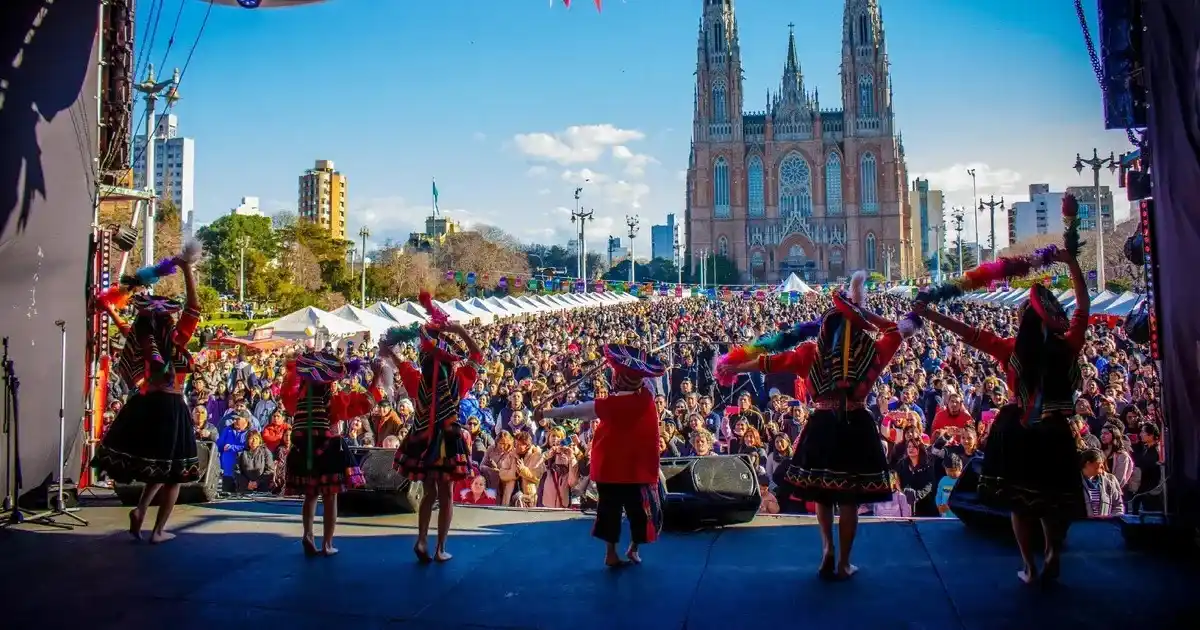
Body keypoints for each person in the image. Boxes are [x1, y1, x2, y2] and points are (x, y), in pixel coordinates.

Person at [912, 202, 1090, 585]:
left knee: (1022, 504)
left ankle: (1028, 565)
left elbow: (968, 333)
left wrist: (929, 314)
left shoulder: (1012, 350)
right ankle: (1053, 554)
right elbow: (1083, 308)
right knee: (1053, 502)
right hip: (1057, 431)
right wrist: (1070, 263)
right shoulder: (1068, 346)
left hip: (1021, 433)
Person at [717, 271, 919, 580]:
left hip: (822, 423)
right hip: (857, 424)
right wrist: (862, 313)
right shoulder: (873, 352)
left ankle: (827, 548)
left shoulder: (811, 353)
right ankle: (845, 562)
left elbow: (770, 362)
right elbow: (896, 329)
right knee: (849, 497)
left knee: (823, 494)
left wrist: (735, 366)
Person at [91, 243, 203, 543]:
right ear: (168, 319)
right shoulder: (177, 340)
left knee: (159, 466)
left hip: (144, 404)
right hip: (170, 406)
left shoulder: (142, 338)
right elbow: (194, 308)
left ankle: (141, 509)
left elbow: (128, 330)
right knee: (175, 474)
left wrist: (111, 309)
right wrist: (187, 269)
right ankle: (158, 530)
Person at [538, 344, 667, 568]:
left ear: (619, 380)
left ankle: (611, 553)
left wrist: (547, 412)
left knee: (609, 512)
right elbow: (645, 376)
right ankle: (633, 549)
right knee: (641, 514)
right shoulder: (646, 398)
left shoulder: (609, 405)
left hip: (610, 470)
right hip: (637, 470)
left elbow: (575, 411)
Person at [389, 292, 485, 564]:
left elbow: (400, 361)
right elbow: (477, 355)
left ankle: (421, 539)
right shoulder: (460, 381)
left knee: (429, 492)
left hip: (422, 439)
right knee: (446, 495)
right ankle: (440, 547)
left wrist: (390, 349)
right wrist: (461, 331)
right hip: (448, 441)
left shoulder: (416, 381)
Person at [280, 351, 388, 556]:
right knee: (330, 497)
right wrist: (375, 376)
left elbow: (287, 390)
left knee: (310, 496)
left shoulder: (297, 399)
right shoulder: (335, 401)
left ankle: (308, 534)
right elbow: (367, 401)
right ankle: (327, 544)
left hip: (302, 449)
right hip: (328, 449)